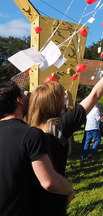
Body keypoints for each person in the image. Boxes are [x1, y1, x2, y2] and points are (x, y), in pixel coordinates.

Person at [28, 45, 103, 215]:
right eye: (62, 96)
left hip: (28, 201)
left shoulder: (26, 129)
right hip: (54, 200)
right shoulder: (60, 125)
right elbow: (94, 95)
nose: (66, 97)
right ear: (55, 104)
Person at [0, 81, 74, 215]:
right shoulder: (30, 134)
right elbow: (49, 182)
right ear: (19, 100)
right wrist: (69, 188)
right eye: (24, 93)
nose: (28, 96)